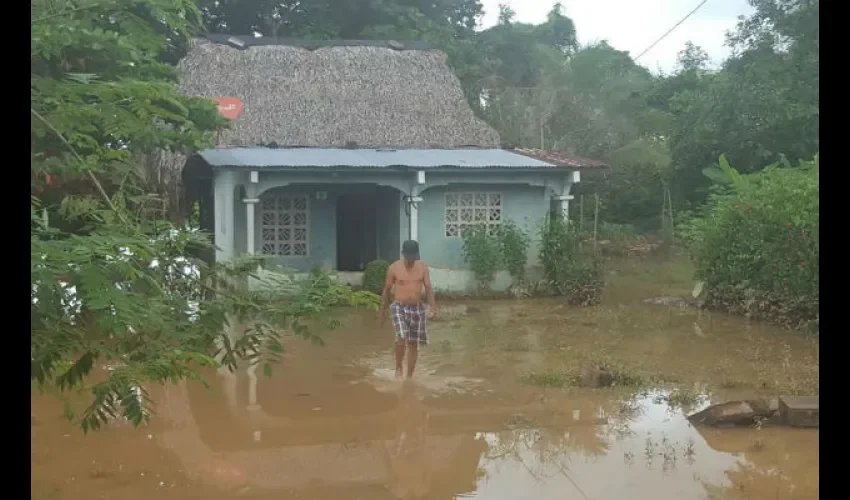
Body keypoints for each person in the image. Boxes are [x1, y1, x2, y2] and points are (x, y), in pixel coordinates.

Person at [379, 240, 437, 379]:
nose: (411, 261)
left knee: (413, 343)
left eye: (413, 258)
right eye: (409, 257)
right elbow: (386, 291)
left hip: (417, 308)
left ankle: (409, 376)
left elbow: (428, 288)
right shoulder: (394, 268)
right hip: (399, 307)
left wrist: (433, 307)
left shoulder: (422, 267)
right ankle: (398, 367)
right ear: (403, 254)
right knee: (401, 337)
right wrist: (382, 312)